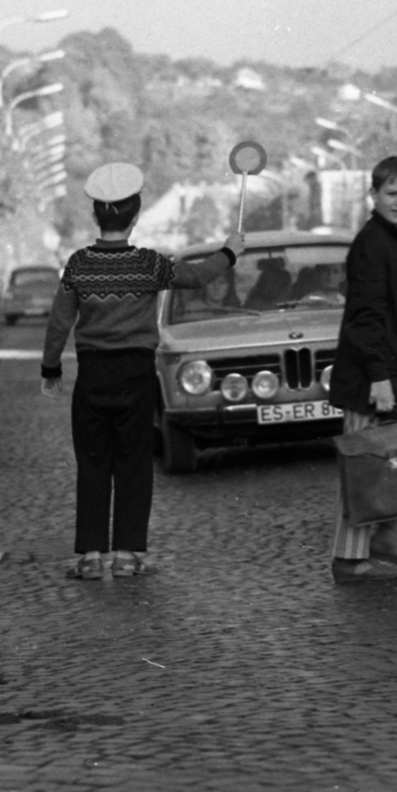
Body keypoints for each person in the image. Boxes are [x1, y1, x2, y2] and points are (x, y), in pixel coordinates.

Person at [40, 162, 244, 578]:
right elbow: (197, 276)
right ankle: (129, 556)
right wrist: (229, 253)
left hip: (93, 376)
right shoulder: (150, 264)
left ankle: (91, 558)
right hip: (136, 375)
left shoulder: (78, 265)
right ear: (135, 218)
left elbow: (60, 320)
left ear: (96, 215)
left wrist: (51, 369)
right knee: (133, 462)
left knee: (93, 462)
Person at [326, 155, 397, 582]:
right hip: (374, 375)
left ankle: (384, 536)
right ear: (373, 195)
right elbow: (364, 318)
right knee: (367, 465)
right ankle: (350, 560)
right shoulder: (371, 242)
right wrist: (380, 379)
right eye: (392, 193)